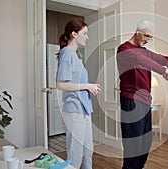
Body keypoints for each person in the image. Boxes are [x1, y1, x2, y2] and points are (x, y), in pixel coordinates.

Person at [116, 20, 168, 169]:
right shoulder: (124, 49)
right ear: (137, 32)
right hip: (131, 100)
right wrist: (164, 71)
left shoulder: (145, 50)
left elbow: (162, 58)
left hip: (145, 101)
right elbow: (141, 60)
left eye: (151, 37)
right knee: (133, 144)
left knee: (145, 142)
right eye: (146, 36)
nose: (148, 40)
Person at [56, 18, 101, 169]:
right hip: (74, 109)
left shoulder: (77, 55)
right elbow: (60, 84)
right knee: (75, 153)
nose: (87, 37)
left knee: (88, 150)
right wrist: (87, 86)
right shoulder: (67, 53)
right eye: (85, 33)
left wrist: (89, 87)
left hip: (84, 109)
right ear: (74, 34)